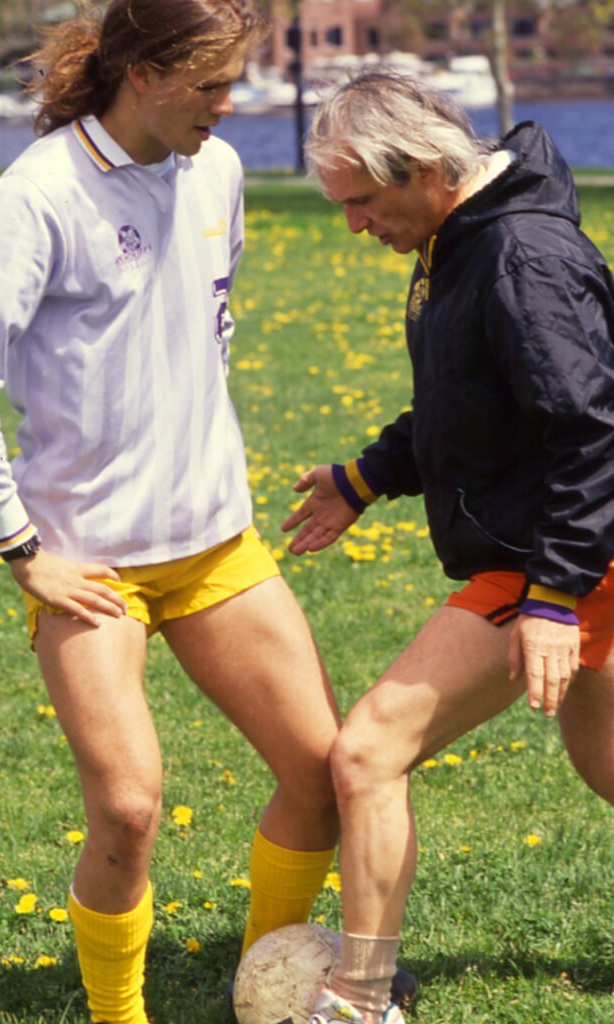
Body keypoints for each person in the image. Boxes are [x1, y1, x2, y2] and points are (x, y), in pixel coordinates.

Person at [0, 3, 344, 1022]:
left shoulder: (216, 171)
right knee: (127, 808)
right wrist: (21, 547)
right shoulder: (37, 195)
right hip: (89, 564)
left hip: (216, 543)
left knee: (325, 772)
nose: (231, 105)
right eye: (212, 85)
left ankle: (267, 984)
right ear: (143, 74)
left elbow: (206, 323)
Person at [280, 70, 614, 1024]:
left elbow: (590, 432)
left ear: (426, 170)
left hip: (554, 550)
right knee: (608, 760)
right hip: (566, 543)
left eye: (361, 201)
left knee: (367, 752)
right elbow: (470, 403)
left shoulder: (518, 258)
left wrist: (553, 596)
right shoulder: (457, 239)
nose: (354, 225)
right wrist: (366, 476)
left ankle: (358, 999)